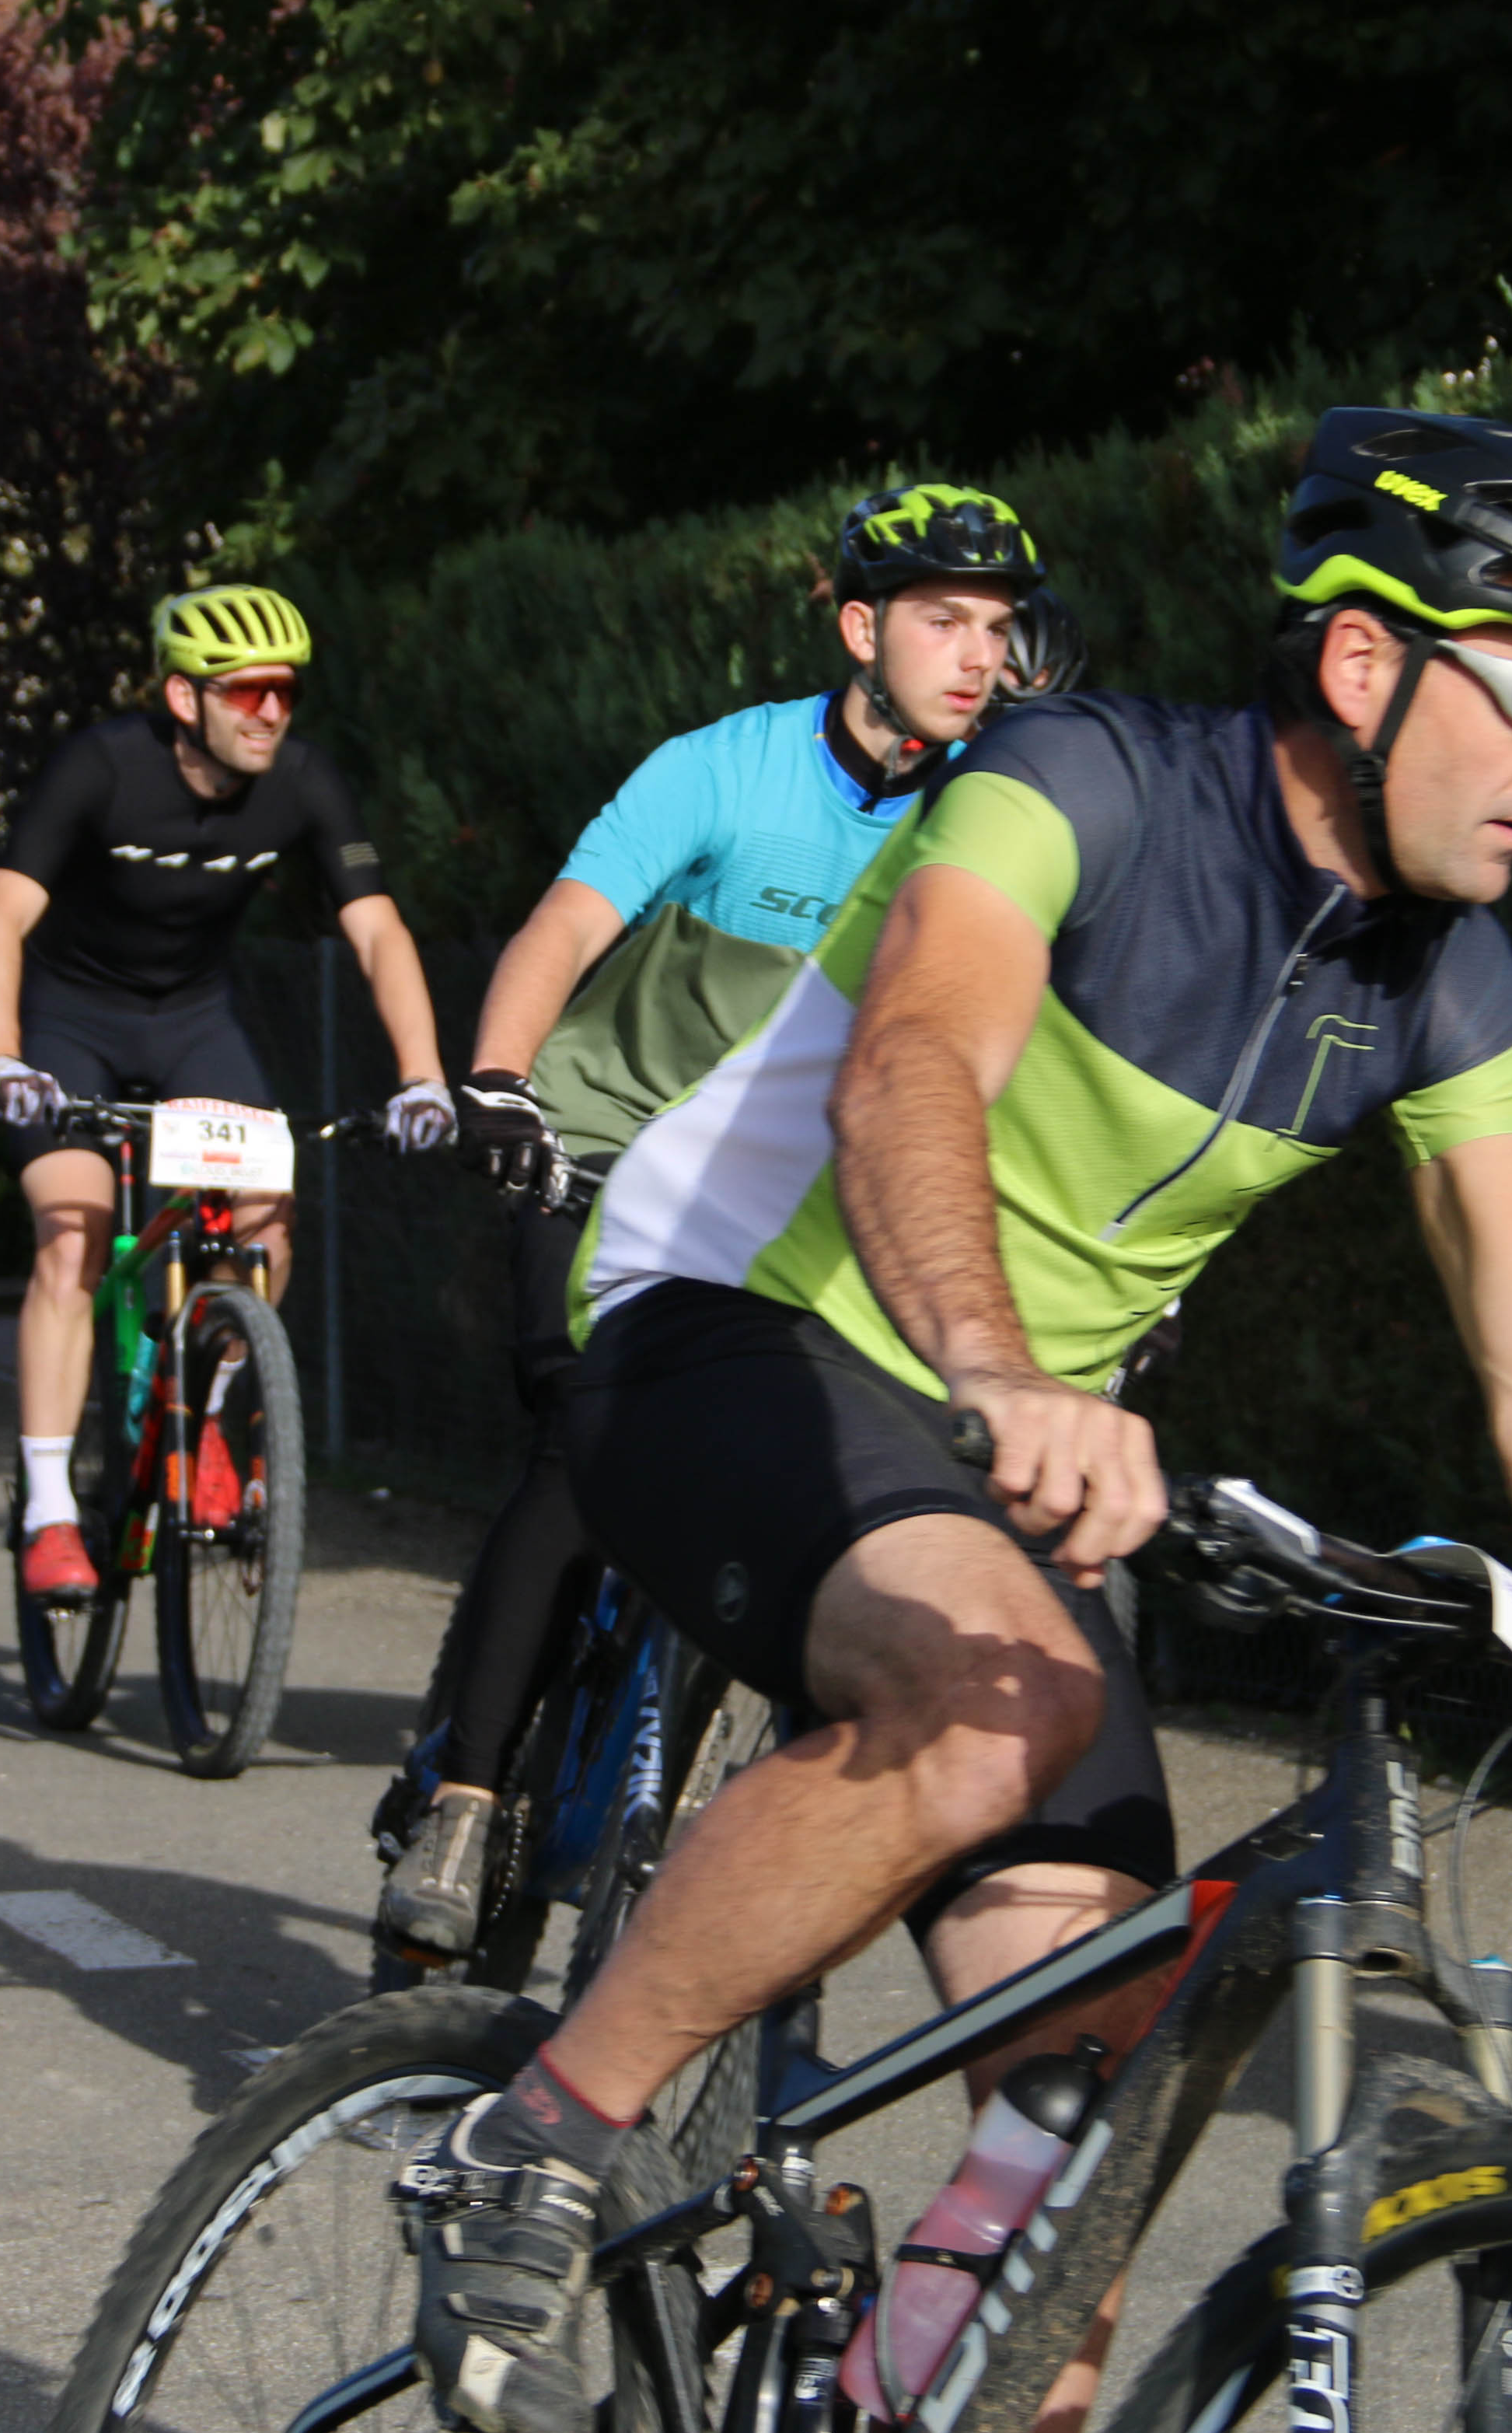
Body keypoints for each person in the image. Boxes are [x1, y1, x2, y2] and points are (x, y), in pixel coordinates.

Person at [398, 408, 1512, 2433]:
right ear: (1368, 665)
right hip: (734, 1323)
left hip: (1008, 1454)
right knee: (988, 1697)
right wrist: (1000, 1370)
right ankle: (544, 2132)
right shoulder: (1077, 781)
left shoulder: (1448, 983)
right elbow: (912, 1062)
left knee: (1059, 2203)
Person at [375, 485, 1055, 1955]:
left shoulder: (984, 818)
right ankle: (465, 1802)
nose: (978, 657)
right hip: (607, 1148)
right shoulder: (722, 767)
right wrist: (500, 1085)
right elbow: (564, 926)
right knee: (585, 1453)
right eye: (944, 620)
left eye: (999, 629)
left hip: (781, 1201)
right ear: (859, 629)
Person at [0, 583, 456, 1599]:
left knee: (266, 1221)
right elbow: (1, 914)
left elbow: (377, 930)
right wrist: (0, 1056)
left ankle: (216, 1417)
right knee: (73, 1233)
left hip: (193, 1022)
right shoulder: (101, 767)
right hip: (69, 1023)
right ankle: (50, 1508)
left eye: (286, 692)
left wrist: (424, 1079)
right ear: (185, 698)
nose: (271, 712)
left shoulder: (305, 783)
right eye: (246, 692)